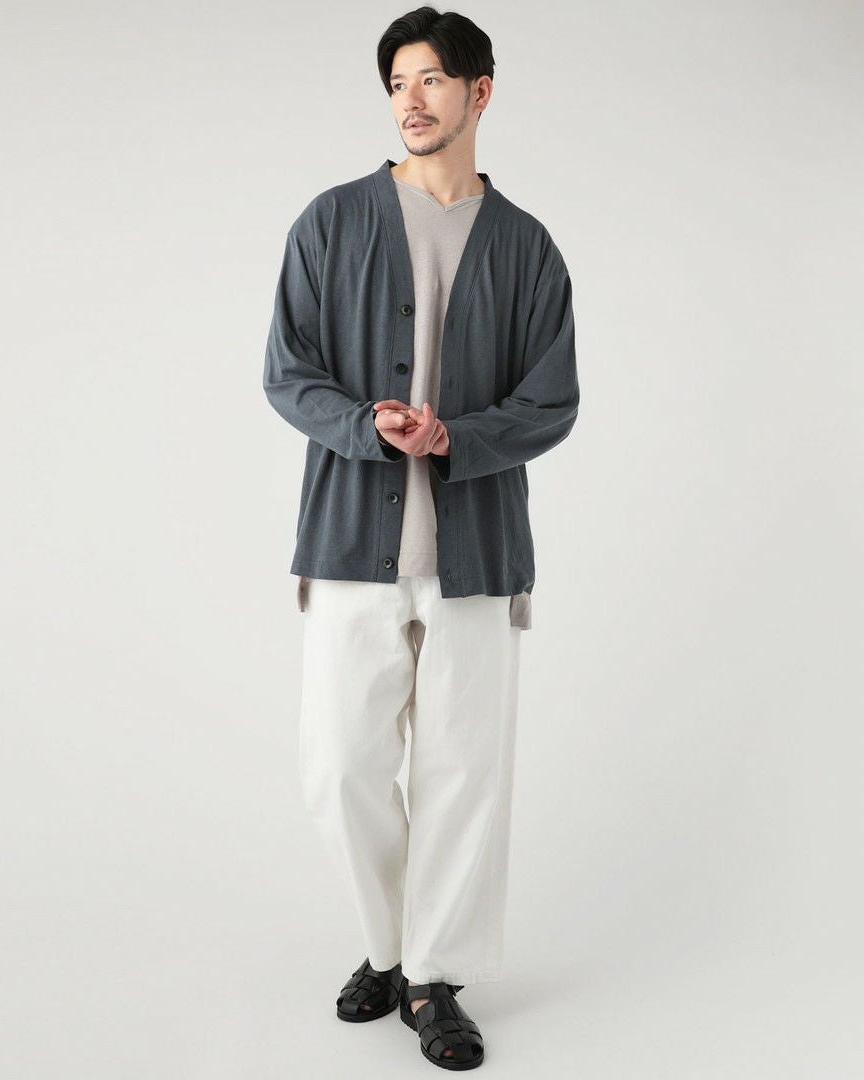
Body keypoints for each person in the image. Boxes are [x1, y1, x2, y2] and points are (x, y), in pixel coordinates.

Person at [263, 5, 579, 1069]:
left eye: (433, 78)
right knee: (340, 766)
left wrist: (458, 438)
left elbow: (552, 399)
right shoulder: (331, 222)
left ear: (479, 92)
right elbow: (288, 372)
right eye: (399, 81)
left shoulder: (528, 247)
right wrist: (367, 424)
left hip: (476, 556)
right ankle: (387, 946)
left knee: (463, 775)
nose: (412, 98)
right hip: (350, 541)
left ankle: (434, 978)